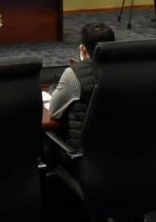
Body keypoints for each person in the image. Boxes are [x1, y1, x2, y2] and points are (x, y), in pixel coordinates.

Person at [48, 22, 115, 151]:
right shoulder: (127, 69)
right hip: (124, 150)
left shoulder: (74, 75)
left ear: (83, 49)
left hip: (83, 155)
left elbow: (54, 111)